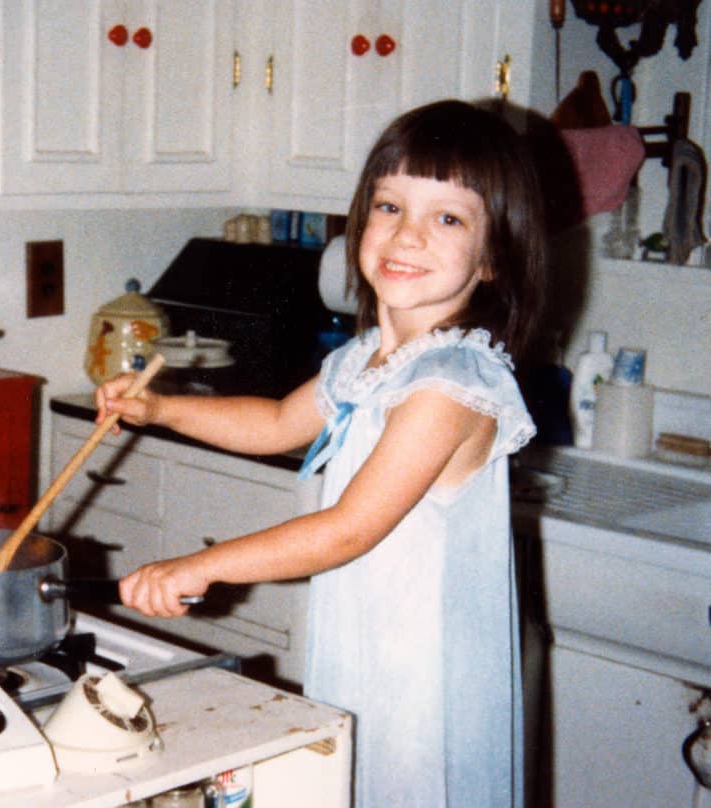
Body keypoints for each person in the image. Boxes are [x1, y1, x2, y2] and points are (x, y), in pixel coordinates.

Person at [95, 99, 546, 807]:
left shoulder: (453, 384)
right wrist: (159, 407)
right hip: (370, 640)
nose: (407, 235)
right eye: (390, 207)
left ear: (493, 258)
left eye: (448, 218)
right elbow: (277, 421)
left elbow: (349, 529)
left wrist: (202, 566)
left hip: (423, 672)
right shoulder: (373, 357)